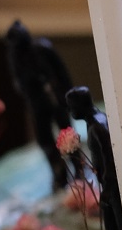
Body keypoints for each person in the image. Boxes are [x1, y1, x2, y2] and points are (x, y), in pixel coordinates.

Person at [65, 87, 122, 230]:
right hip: (108, 185)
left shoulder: (98, 126)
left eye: (72, 107)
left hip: (113, 187)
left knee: (121, 229)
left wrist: (108, 188)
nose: (71, 112)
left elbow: (110, 159)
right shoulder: (95, 122)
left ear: (79, 105)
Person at [5, 21, 74, 190]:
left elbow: (61, 73)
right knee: (45, 140)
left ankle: (78, 168)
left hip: (54, 98)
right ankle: (59, 173)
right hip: (37, 103)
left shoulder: (42, 49)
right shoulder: (15, 57)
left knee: (67, 134)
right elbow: (18, 83)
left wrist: (64, 94)